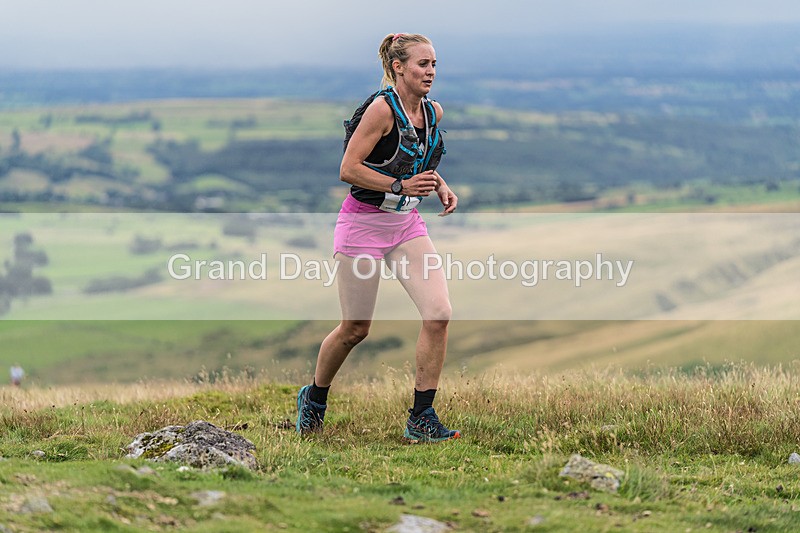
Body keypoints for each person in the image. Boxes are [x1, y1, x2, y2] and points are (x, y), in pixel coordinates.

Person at [296, 33, 459, 442]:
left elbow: (415, 158)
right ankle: (314, 398)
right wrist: (401, 188)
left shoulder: (433, 112)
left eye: (434, 64)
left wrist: (438, 183)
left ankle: (421, 418)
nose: (431, 72)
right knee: (355, 329)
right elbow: (348, 168)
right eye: (423, 64)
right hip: (362, 226)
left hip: (406, 226)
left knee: (438, 313)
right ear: (399, 67)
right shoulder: (380, 111)